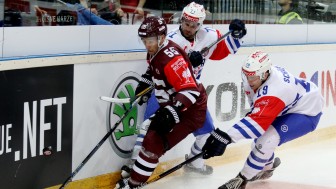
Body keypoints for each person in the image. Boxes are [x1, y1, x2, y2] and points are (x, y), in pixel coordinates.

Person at [123, 1, 246, 177]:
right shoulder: (170, 39)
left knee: (206, 134)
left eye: (194, 25)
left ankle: (195, 163)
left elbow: (229, 49)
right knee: (148, 128)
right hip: (165, 91)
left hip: (190, 95)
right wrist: (147, 80)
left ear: (200, 24)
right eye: (186, 23)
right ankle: (134, 166)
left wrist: (237, 33)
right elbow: (155, 65)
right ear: (181, 20)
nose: (188, 28)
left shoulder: (209, 36)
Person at [201, 50, 324, 189]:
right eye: (246, 75)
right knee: (259, 141)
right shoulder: (256, 78)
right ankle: (266, 167)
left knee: (267, 141)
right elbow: (257, 115)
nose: (248, 80)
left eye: (252, 77)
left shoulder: (276, 89)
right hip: (289, 106)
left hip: (307, 111)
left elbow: (256, 125)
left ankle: (242, 180)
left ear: (265, 74)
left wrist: (226, 137)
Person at [115, 16, 208, 189]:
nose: (147, 44)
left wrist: (171, 112)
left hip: (190, 110)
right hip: (177, 105)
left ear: (162, 37)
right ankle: (138, 170)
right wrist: (146, 82)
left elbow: (190, 90)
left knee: (153, 141)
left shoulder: (171, 59)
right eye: (144, 40)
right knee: (149, 133)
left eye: (150, 40)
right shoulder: (156, 51)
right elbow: (154, 70)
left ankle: (134, 183)